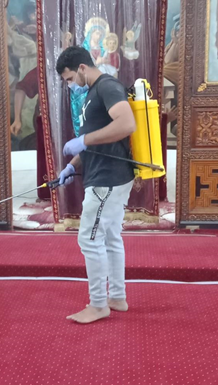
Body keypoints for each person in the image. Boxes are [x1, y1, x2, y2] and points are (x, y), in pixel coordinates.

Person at [56, 46, 136, 324]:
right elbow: (96, 138)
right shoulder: (93, 92)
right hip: (107, 174)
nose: (70, 85)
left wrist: (83, 140)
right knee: (111, 238)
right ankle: (117, 297)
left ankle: (98, 304)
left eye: (69, 79)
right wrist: (72, 165)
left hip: (107, 179)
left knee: (89, 240)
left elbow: (127, 124)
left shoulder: (107, 86)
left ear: (82, 68)